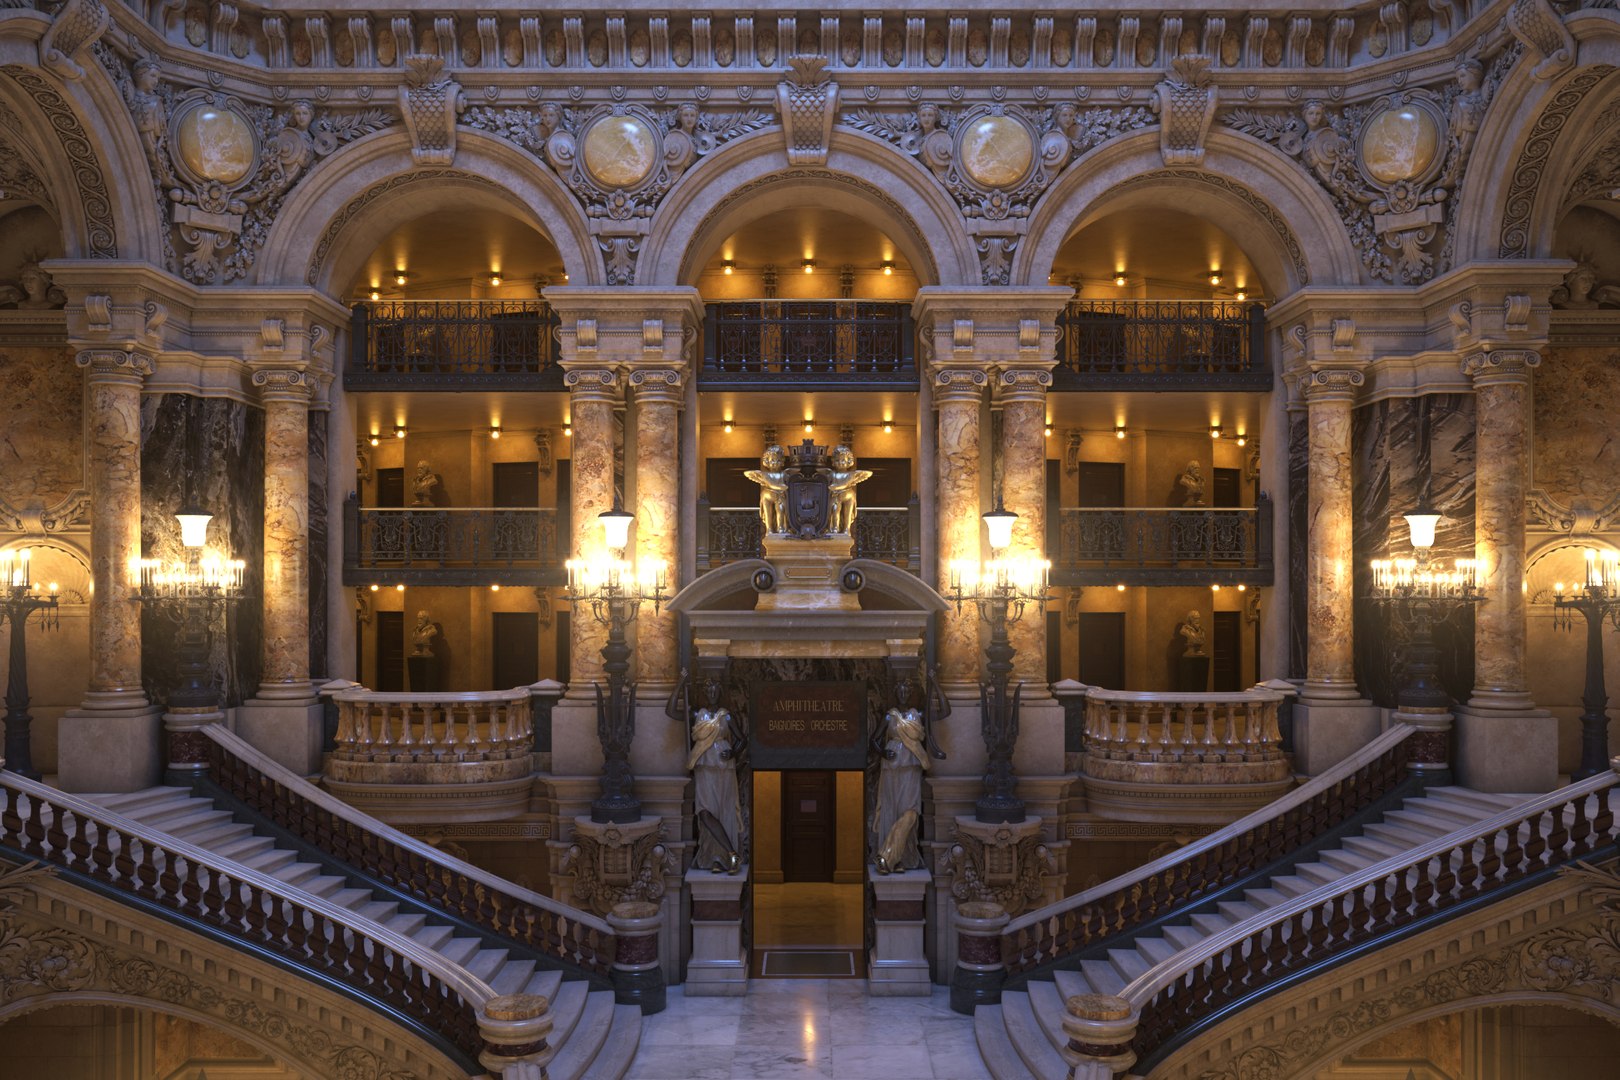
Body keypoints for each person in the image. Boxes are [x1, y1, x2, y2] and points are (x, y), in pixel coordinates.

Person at [667, 670, 744, 873]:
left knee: (723, 811)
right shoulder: (697, 714)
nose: (711, 692)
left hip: (723, 767)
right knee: (704, 813)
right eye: (708, 688)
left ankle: (718, 858)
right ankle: (731, 853)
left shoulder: (726, 716)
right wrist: (680, 683)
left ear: (719, 692)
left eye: (714, 688)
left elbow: (742, 738)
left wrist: (734, 752)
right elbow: (671, 710)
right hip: (704, 766)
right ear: (704, 691)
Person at [870, 678, 939, 873]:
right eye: (900, 691)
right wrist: (882, 752)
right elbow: (874, 740)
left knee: (909, 812)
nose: (904, 695)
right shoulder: (889, 716)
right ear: (895, 693)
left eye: (907, 691)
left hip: (911, 766)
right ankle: (896, 860)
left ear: (912, 694)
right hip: (892, 766)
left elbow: (944, 712)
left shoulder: (918, 715)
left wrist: (935, 684)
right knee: (892, 810)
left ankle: (887, 854)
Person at [743, 445, 789, 533]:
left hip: (779, 496)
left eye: (778, 460)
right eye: (772, 460)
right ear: (767, 462)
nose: (775, 463)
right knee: (769, 514)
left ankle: (781, 528)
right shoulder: (765, 475)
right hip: (767, 496)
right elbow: (771, 485)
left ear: (782, 462)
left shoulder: (783, 474)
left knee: (781, 510)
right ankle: (769, 529)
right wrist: (784, 487)